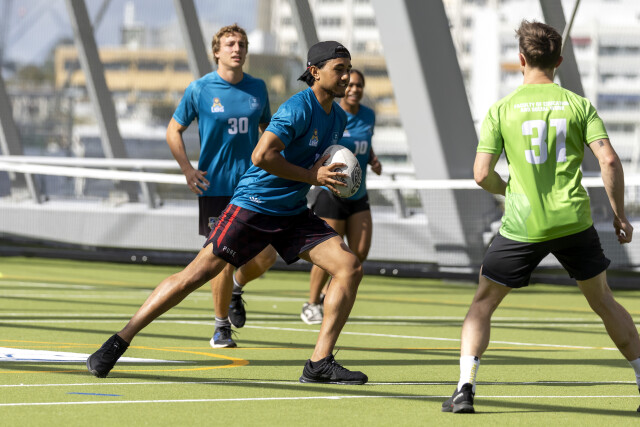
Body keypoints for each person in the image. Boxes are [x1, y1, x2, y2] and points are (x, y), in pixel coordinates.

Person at [87, 40, 368, 385]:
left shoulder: (337, 117)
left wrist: (329, 177)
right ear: (315, 72)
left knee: (349, 267)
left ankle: (319, 363)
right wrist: (313, 177)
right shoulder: (298, 107)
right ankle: (119, 341)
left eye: (348, 69)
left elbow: (313, 161)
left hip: (292, 211)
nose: (346, 77)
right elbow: (261, 156)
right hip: (254, 205)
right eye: (339, 70)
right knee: (195, 275)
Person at [442, 20, 640, 414]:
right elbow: (609, 161)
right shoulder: (579, 105)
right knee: (604, 302)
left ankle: (465, 388)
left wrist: (507, 190)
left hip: (521, 225)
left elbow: (481, 174)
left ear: (521, 59)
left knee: (483, 304)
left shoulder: (502, 109)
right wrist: (620, 216)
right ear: (559, 61)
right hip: (573, 222)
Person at [166, 24, 276, 349]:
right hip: (215, 189)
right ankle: (221, 327)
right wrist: (187, 169)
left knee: (268, 254)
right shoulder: (200, 89)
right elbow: (173, 130)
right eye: (230, 44)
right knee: (223, 258)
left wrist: (276, 167)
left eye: (242, 44)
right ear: (217, 52)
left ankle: (237, 289)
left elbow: (268, 130)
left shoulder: (258, 88)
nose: (237, 49)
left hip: (253, 186)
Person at [302, 69, 382, 325]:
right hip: (331, 193)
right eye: (351, 85)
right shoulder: (334, 115)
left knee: (360, 251)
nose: (355, 89)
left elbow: (365, 144)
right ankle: (311, 303)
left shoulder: (368, 115)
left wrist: (372, 159)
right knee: (329, 254)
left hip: (358, 194)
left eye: (360, 85)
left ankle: (327, 294)